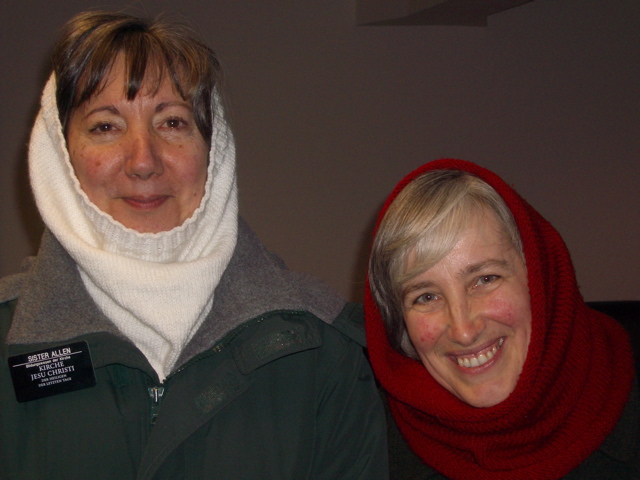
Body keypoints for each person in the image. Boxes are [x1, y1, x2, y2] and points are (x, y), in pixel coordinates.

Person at [0, 11, 387, 479]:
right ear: (59, 155)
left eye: (172, 123)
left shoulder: (323, 353)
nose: (143, 161)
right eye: (105, 126)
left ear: (214, 148)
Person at [365, 158, 639, 479]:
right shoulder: (363, 443)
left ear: (542, 279)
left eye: (485, 279)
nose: (464, 331)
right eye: (426, 296)